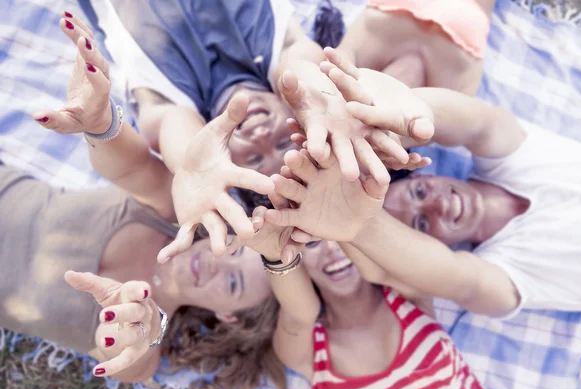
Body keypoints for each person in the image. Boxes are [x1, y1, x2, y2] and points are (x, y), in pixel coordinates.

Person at [70, 0, 493, 259]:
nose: (259, 134)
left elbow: (175, 134)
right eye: (282, 139)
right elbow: (302, 73)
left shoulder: (169, 98)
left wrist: (190, 167)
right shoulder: (281, 54)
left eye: (251, 157)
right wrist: (320, 98)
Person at [9, 18, 288, 389]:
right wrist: (100, 122)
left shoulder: (144, 343)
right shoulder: (167, 212)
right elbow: (130, 164)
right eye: (235, 249)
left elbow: (127, 355)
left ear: (227, 315)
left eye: (233, 282)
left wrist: (138, 331)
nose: (216, 262)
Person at [271, 47, 581, 319]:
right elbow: (460, 280)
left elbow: (479, 123)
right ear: (435, 243)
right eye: (422, 222)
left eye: (420, 190)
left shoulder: (514, 156)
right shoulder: (508, 273)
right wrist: (359, 224)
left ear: (430, 173)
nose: (436, 204)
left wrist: (402, 116)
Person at [230, 149, 491, 389]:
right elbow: (300, 314)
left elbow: (375, 268)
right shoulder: (307, 352)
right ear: (298, 258)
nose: (331, 249)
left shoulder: (408, 293)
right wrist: (273, 254)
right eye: (312, 243)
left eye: (337, 237)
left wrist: (338, 204)